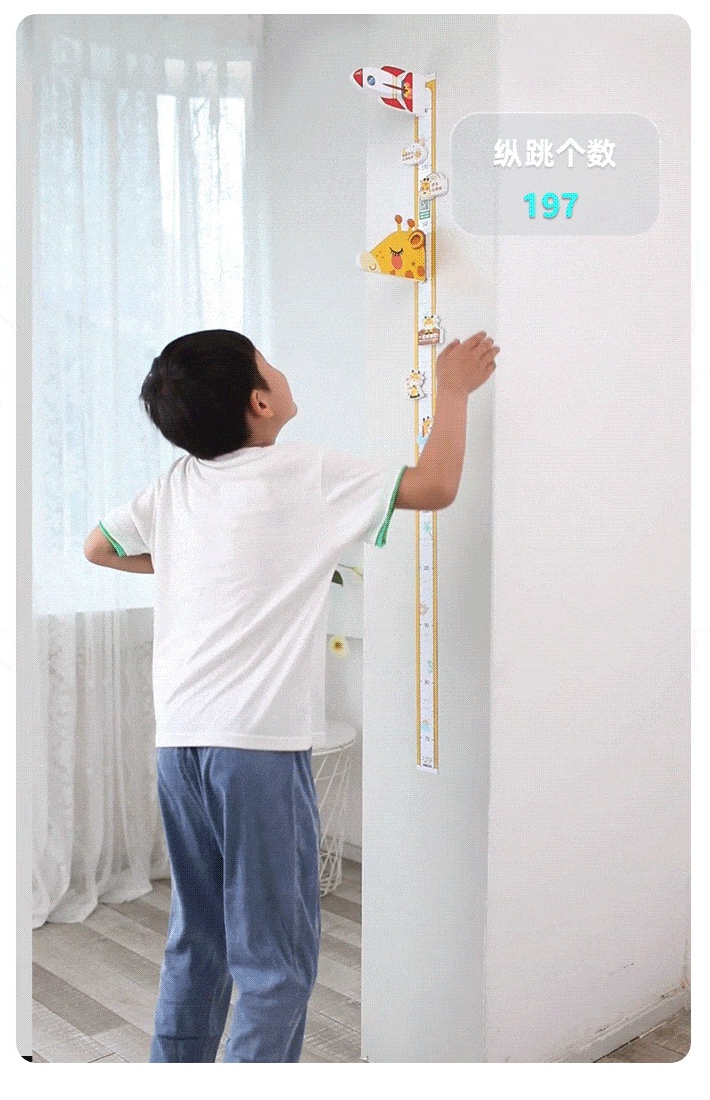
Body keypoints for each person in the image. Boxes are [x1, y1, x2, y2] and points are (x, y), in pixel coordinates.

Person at [84, 327, 499, 1062]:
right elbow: (436, 485)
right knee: (275, 962)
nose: (281, 369)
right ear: (260, 401)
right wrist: (454, 389)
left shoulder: (176, 484)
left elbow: (98, 546)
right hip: (258, 751)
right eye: (268, 363)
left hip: (180, 743)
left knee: (199, 937)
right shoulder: (306, 473)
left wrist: (191, 566)